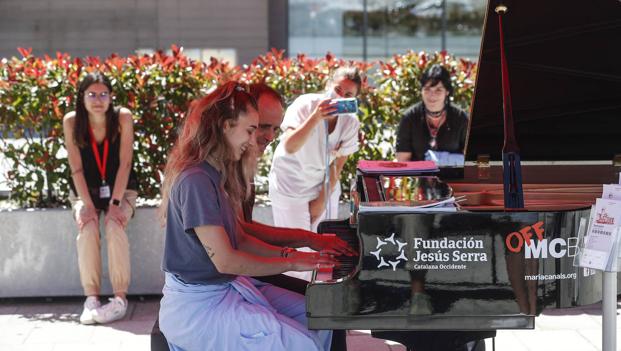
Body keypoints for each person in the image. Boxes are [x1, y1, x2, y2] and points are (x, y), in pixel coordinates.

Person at [158, 81, 336, 351]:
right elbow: (227, 261)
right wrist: (296, 260)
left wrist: (303, 251)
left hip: (223, 290)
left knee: (320, 317)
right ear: (225, 126)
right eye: (251, 130)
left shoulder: (214, 174)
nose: (255, 140)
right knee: (301, 344)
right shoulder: (196, 180)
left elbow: (240, 238)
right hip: (198, 307)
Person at [63, 72, 139, 324]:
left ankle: (119, 300)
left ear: (111, 97)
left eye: (103, 94)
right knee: (88, 227)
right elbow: (76, 169)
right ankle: (92, 299)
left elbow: (126, 163)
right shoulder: (72, 122)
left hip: (122, 189)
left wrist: (115, 204)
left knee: (114, 225)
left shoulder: (123, 118)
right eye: (92, 94)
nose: (98, 100)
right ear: (82, 98)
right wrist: (86, 205)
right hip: (85, 190)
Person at [268, 66, 363, 234]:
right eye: (337, 89)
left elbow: (338, 164)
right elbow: (290, 146)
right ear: (328, 85)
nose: (339, 97)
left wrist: (322, 200)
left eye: (347, 95)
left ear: (354, 99)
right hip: (290, 183)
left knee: (324, 246)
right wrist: (316, 117)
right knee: (298, 247)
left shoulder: (350, 122)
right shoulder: (305, 104)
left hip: (324, 184)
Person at [395, 64, 468, 165]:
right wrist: (426, 166)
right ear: (421, 91)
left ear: (447, 92)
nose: (432, 95)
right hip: (419, 178)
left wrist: (444, 160)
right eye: (427, 89)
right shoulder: (409, 118)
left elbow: (472, 160)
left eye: (438, 90)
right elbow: (403, 162)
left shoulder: (461, 118)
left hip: (452, 179)